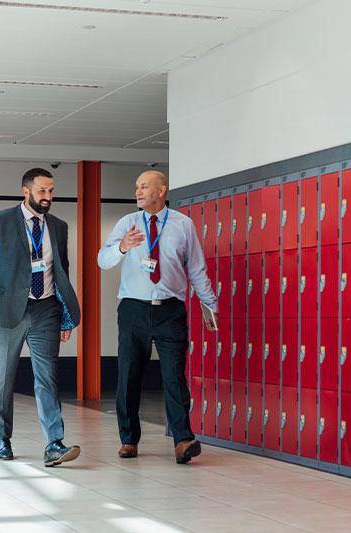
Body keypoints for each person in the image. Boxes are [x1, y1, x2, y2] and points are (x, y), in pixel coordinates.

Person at [97, 170, 218, 464]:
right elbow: (103, 260)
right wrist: (123, 246)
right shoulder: (128, 223)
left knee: (174, 376)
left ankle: (182, 440)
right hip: (133, 309)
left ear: (161, 189)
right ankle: (128, 439)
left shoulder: (183, 225)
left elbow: (196, 269)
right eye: (136, 186)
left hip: (170, 309)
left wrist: (209, 304)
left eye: (144, 186)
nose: (138, 191)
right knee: (128, 375)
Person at [0, 167, 81, 467]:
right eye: (42, 190)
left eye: (51, 191)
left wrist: (65, 316)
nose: (48, 197)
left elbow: (62, 273)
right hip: (7, 311)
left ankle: (54, 443)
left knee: (48, 378)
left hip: (46, 310)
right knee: (3, 377)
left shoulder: (58, 226)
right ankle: (2, 438)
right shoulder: (1, 221)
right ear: (26, 191)